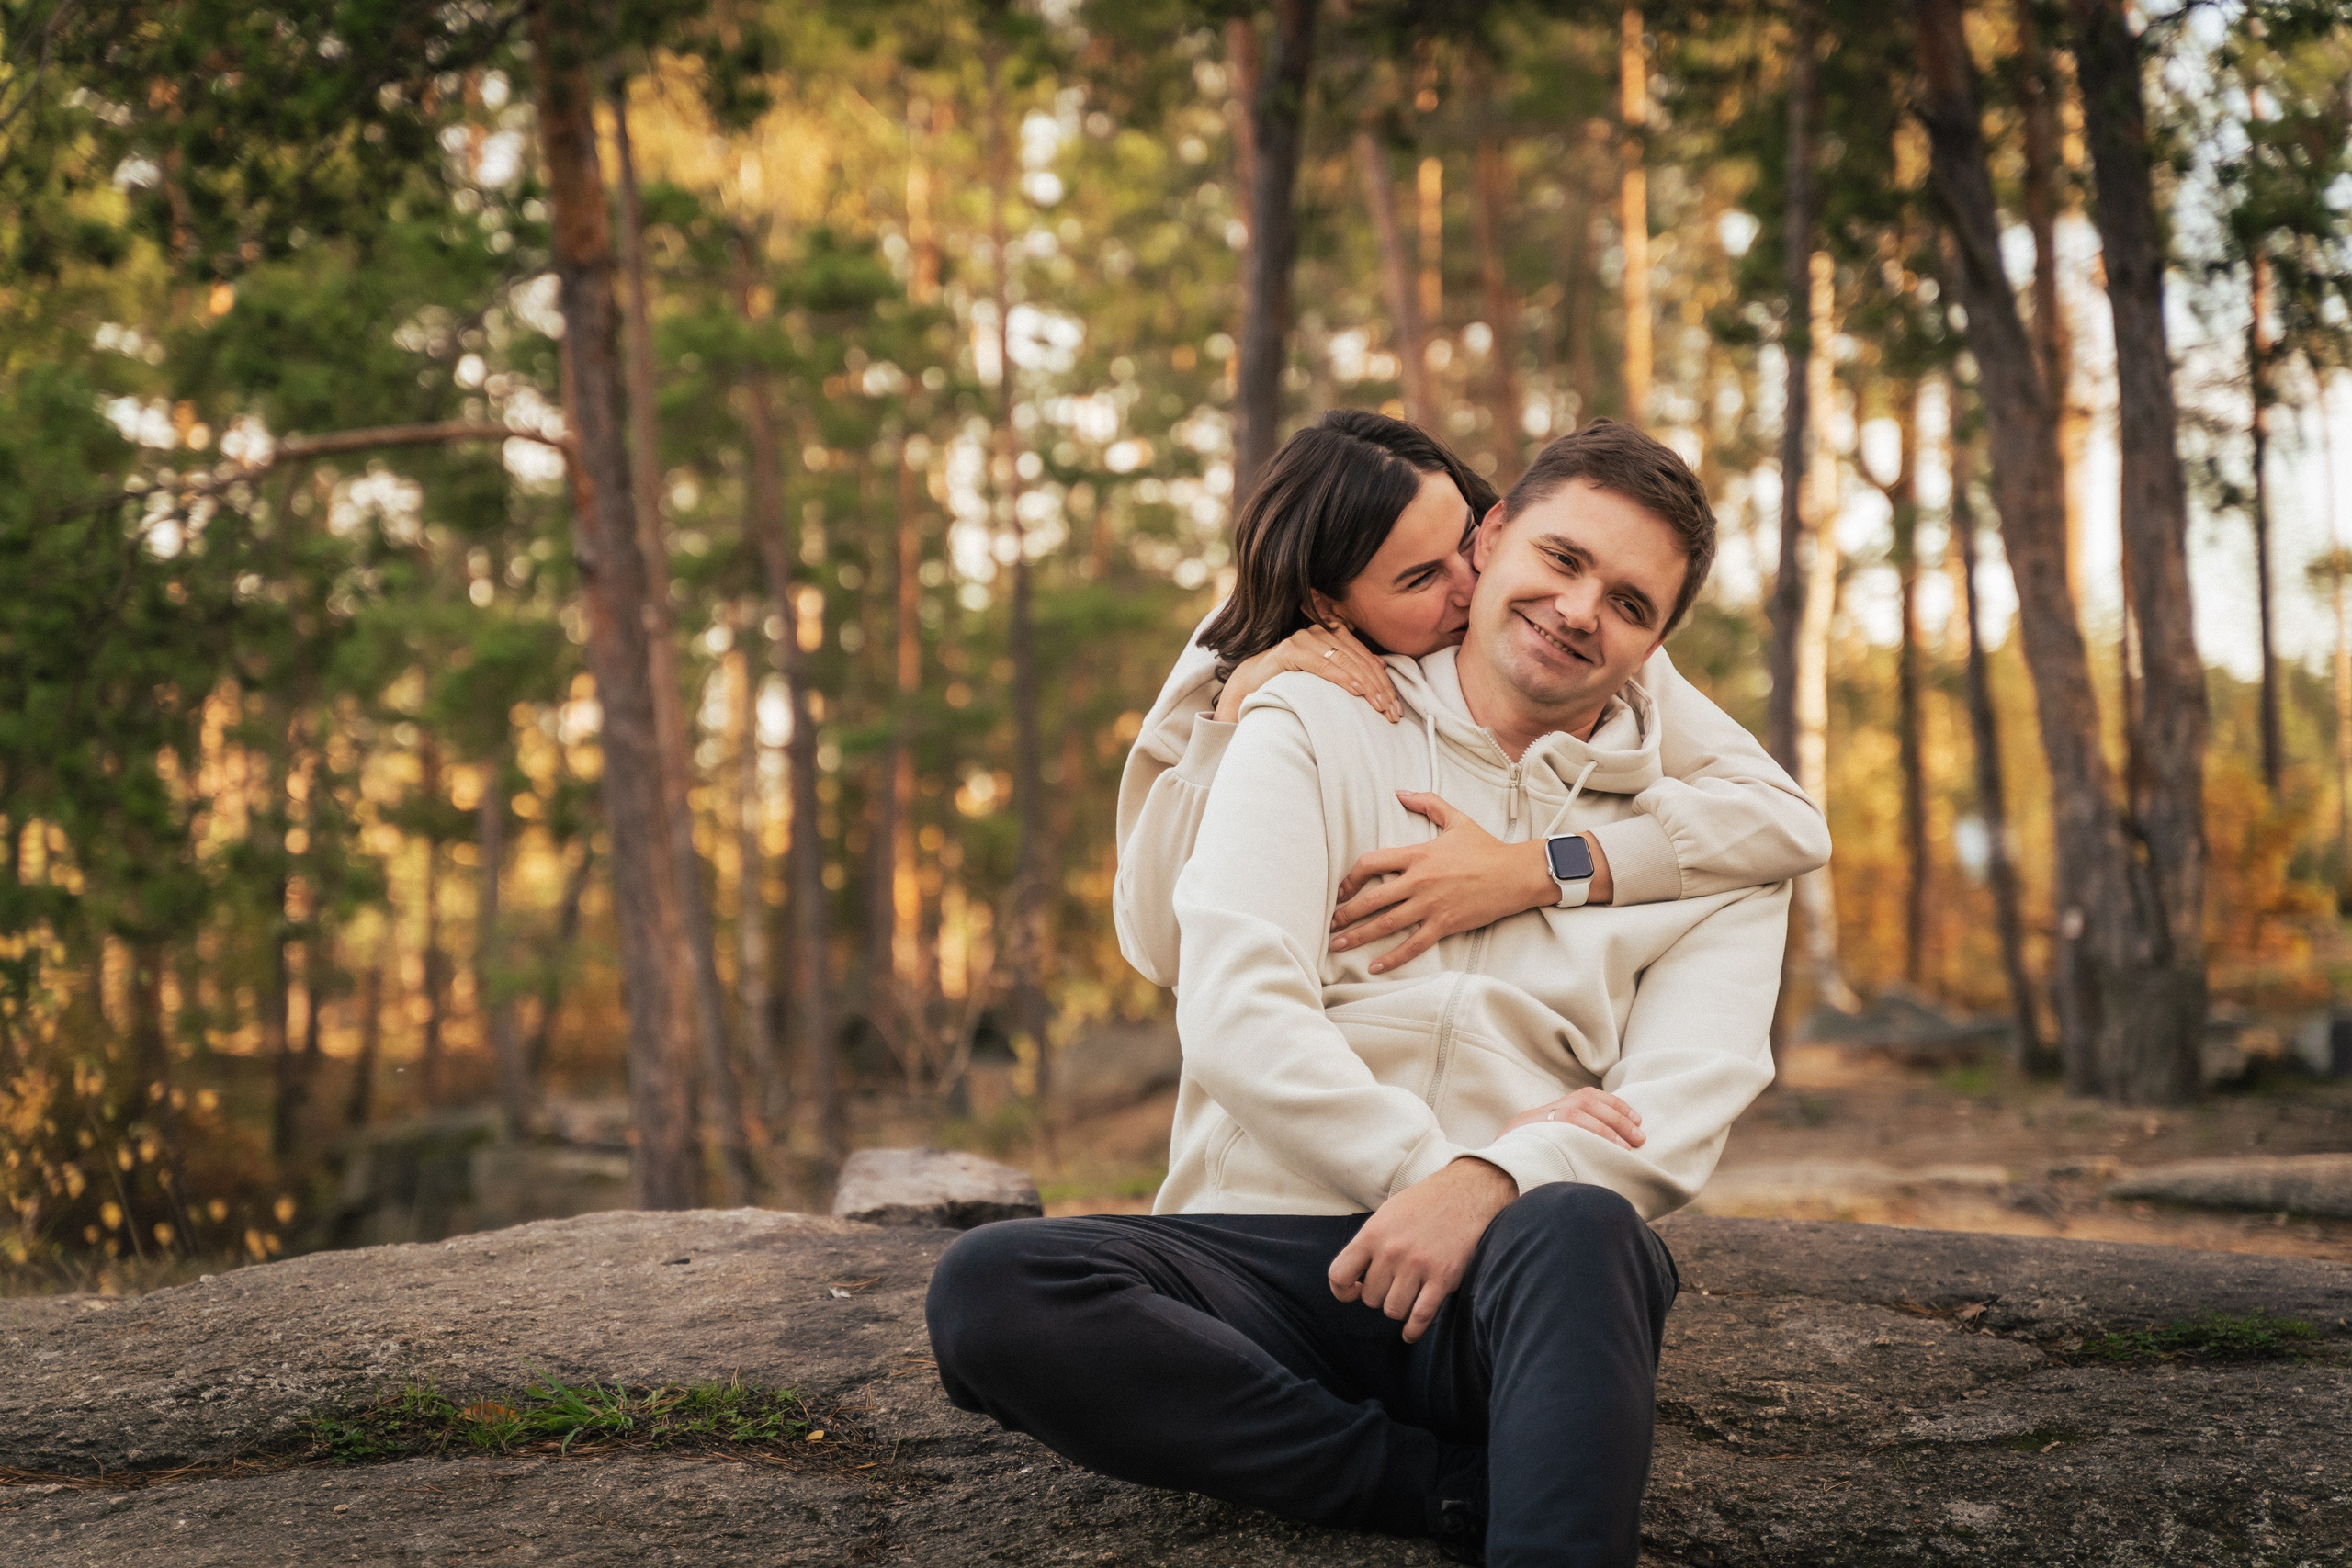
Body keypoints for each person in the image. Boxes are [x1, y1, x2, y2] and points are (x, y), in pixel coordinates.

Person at [929, 421, 1796, 1567]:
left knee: (1586, 1227)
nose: (1583, 610)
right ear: (1491, 542)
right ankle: (1438, 1487)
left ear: (1657, 647)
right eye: (1563, 560)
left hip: (1509, 1276)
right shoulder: (1311, 713)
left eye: (1632, 604)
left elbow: (1686, 1096)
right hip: (1264, 1269)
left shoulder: (1709, 843)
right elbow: (1236, 1004)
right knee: (995, 1284)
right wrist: (1422, 1172)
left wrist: (1492, 1180)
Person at [1113, 409, 1826, 990]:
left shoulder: (1577, 626)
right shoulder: (1244, 670)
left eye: (1465, 539)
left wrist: (1532, 870)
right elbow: (1163, 948)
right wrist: (1233, 708)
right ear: (1329, 607)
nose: (1472, 579)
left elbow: (1786, 822)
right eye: (1422, 577)